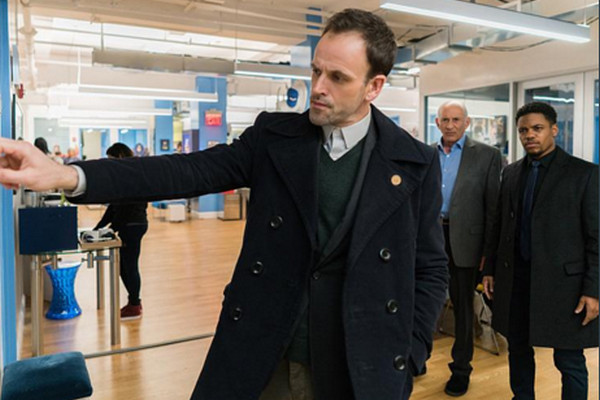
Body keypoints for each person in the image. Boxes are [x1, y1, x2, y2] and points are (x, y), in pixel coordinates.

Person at [0, 9, 448, 400]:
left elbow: (429, 267)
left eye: (337, 77)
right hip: (263, 346)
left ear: (374, 86)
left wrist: (411, 352)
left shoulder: (414, 162)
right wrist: (68, 175)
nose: (317, 87)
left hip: (360, 361)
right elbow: (186, 171)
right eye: (315, 71)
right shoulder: (274, 138)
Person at [483, 102, 598, 400]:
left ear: (554, 130)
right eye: (523, 130)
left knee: (569, 360)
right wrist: (490, 269)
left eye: (537, 128)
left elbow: (596, 239)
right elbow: (499, 226)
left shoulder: (584, 174)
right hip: (517, 281)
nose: (529, 135)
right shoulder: (511, 173)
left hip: (566, 286)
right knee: (518, 350)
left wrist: (594, 290)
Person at [433, 101, 502, 396]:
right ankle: (415, 359)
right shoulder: (427, 154)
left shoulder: (487, 155)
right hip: (431, 238)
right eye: (445, 120)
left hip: (466, 242)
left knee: (462, 310)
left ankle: (461, 369)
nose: (450, 125)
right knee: (422, 302)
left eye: (456, 120)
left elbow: (493, 209)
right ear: (437, 123)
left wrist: (489, 252)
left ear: (467, 122)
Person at [93, 143, 148, 319]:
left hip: (133, 225)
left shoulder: (132, 176)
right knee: (123, 267)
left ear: (120, 157)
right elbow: (114, 207)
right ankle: (134, 302)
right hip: (129, 224)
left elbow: (125, 208)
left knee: (129, 266)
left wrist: (110, 228)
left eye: (111, 159)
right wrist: (99, 227)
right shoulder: (123, 176)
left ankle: (135, 305)